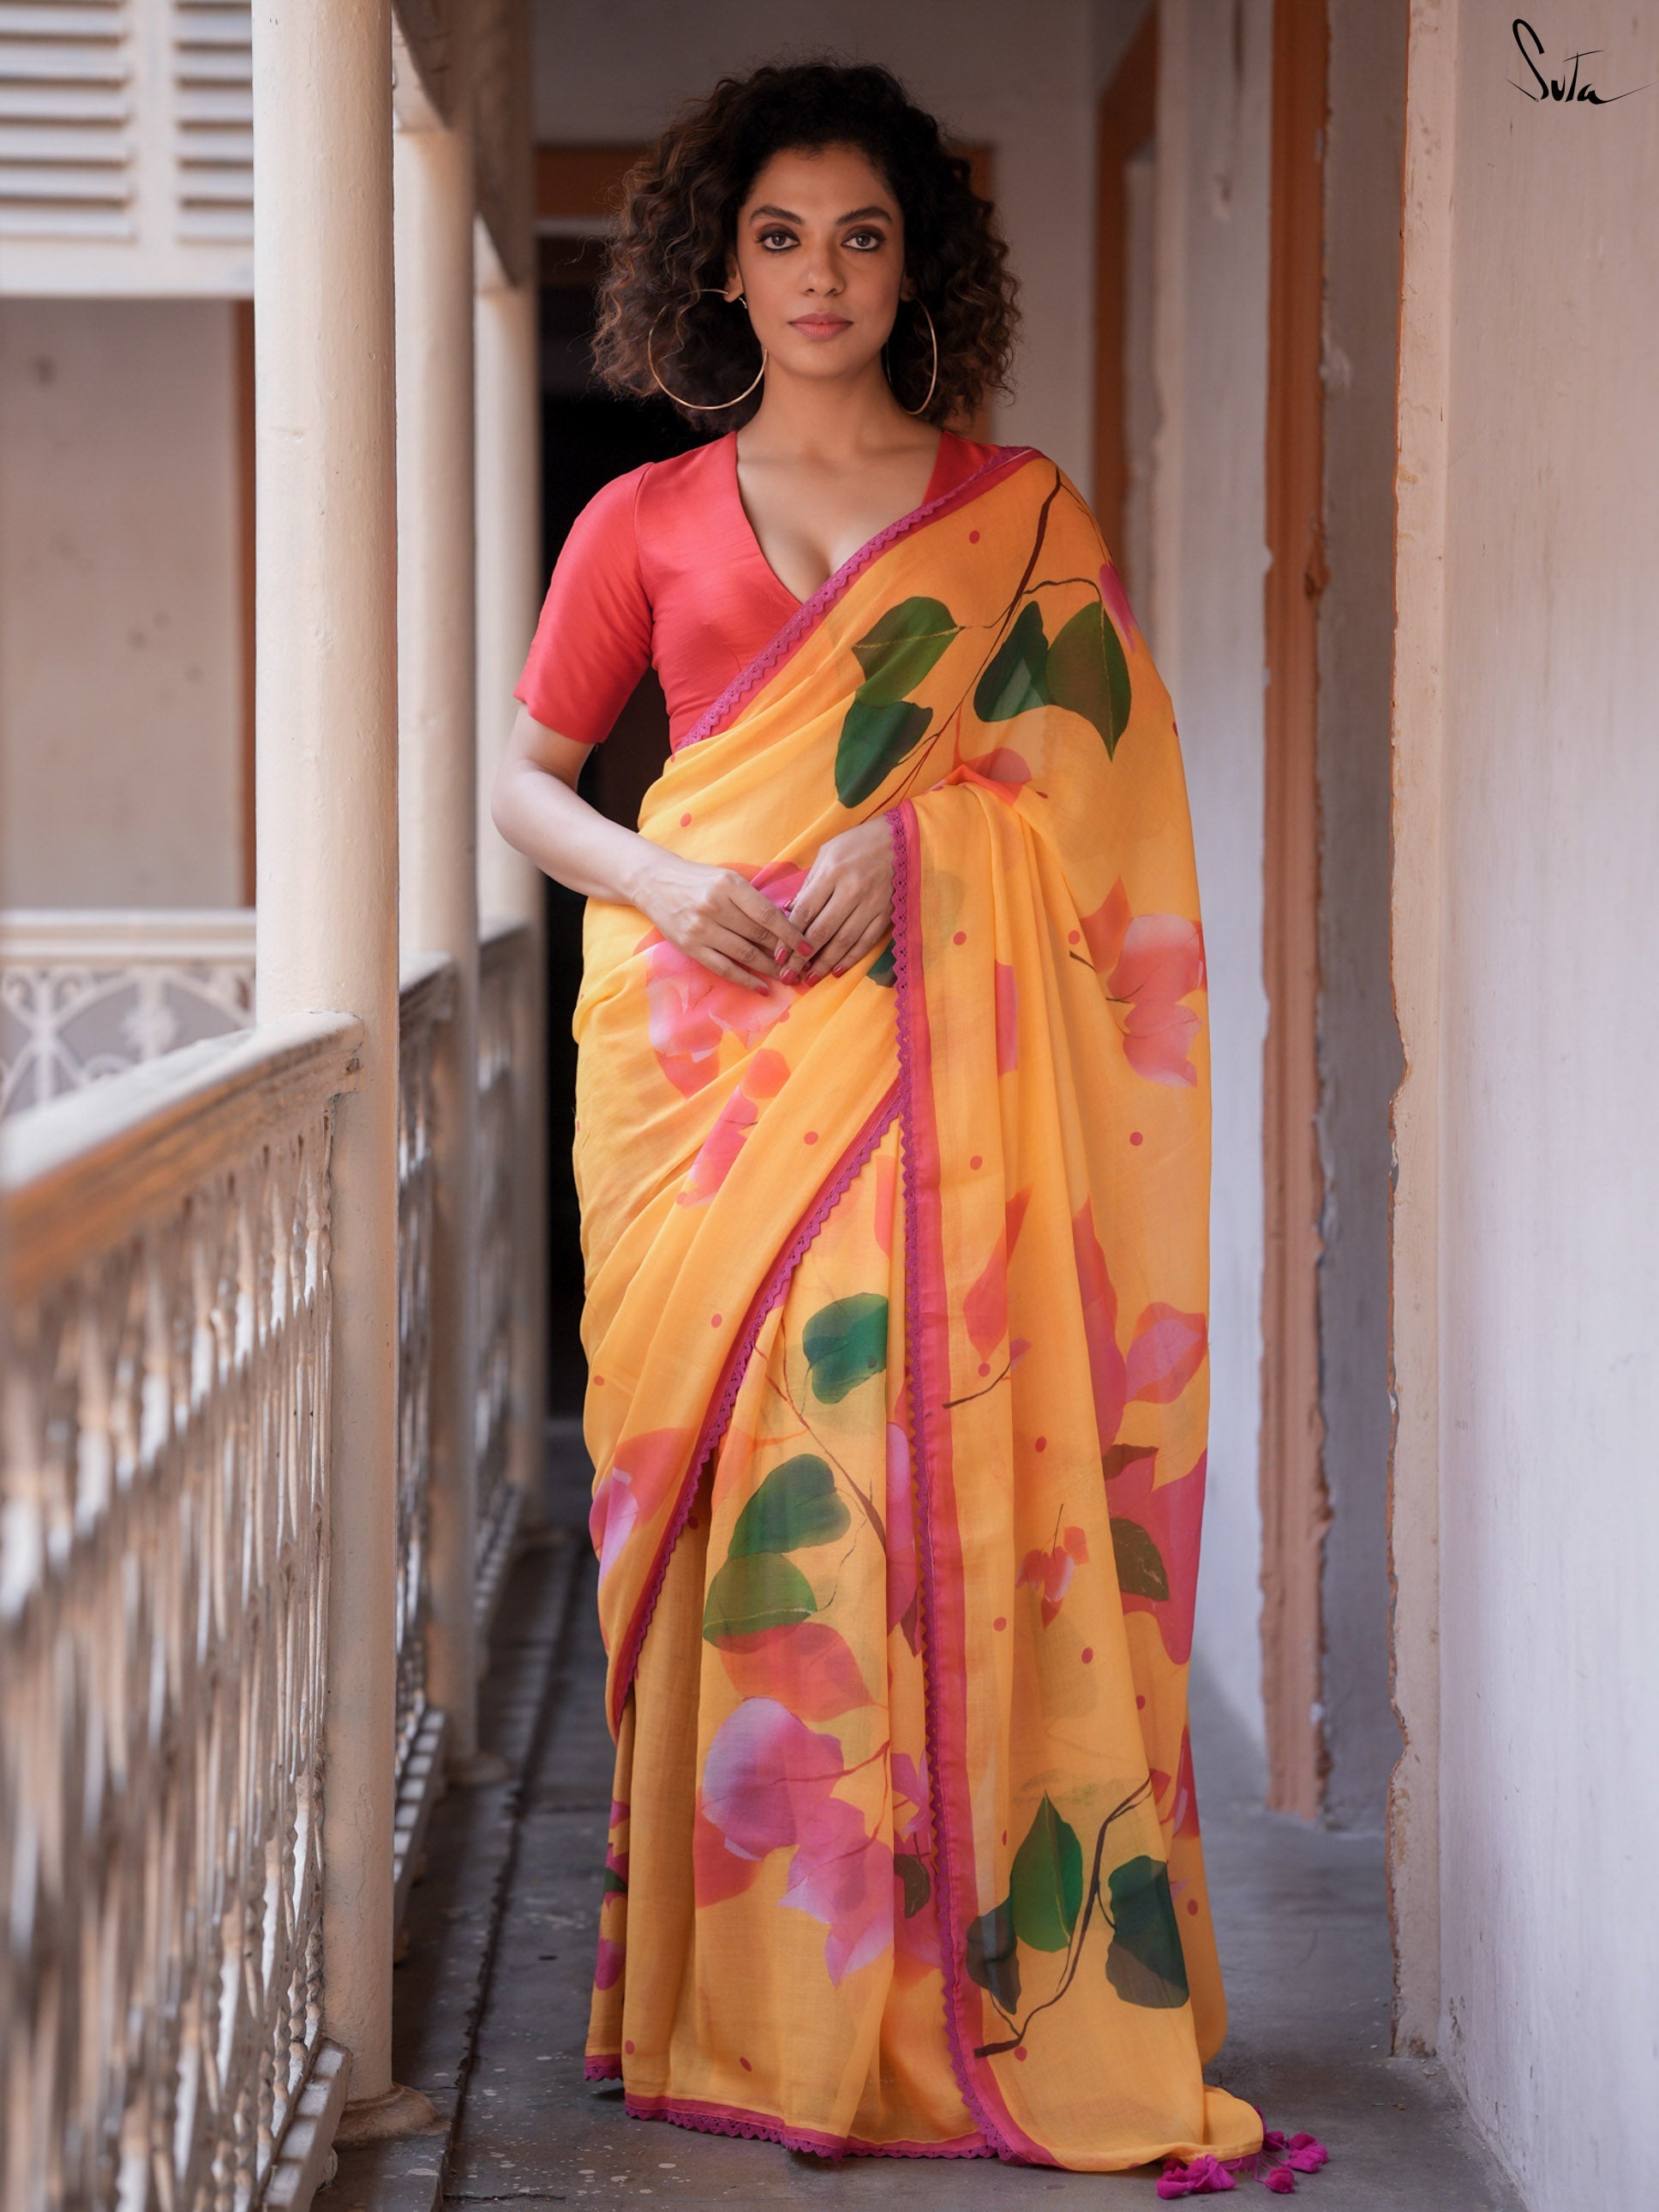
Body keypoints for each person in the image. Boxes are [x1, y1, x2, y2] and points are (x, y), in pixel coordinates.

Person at [492, 59, 1326, 2191]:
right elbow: (524, 780)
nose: (819, 277)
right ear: (717, 265)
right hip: (707, 1083)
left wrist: (932, 839)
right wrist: (664, 876)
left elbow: (1103, 813)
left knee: (928, 1488)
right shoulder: (639, 521)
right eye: (778, 237)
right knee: (758, 1525)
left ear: (914, 262)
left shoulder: (1015, 520)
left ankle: (946, 2002)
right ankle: (765, 2002)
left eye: (860, 236)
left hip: (944, 1086)